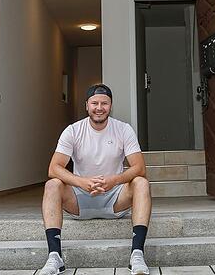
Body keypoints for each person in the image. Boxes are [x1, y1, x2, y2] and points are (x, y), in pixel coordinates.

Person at [38, 83, 152, 275]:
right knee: (52, 185)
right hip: (80, 199)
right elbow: (54, 168)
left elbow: (140, 167)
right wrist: (82, 182)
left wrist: (114, 180)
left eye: (104, 103)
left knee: (141, 182)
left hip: (115, 199)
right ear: (87, 106)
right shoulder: (73, 131)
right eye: (95, 103)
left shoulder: (123, 129)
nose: (99, 108)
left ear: (111, 106)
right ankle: (54, 257)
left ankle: (137, 254)